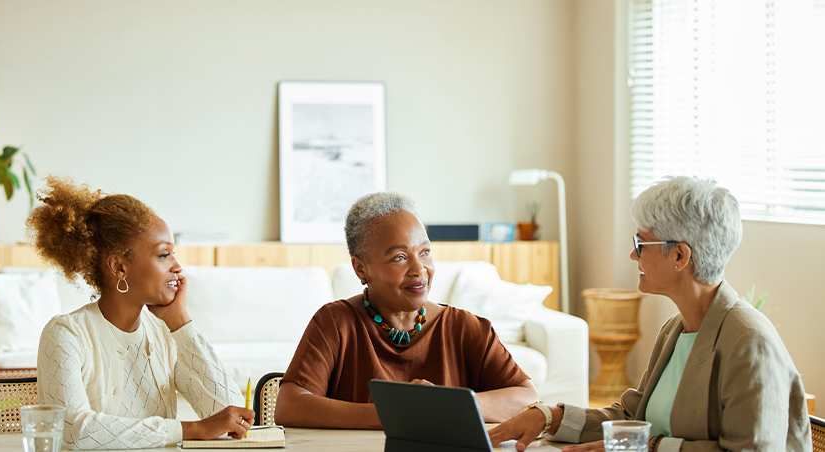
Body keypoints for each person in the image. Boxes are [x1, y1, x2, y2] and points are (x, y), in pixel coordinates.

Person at [489, 176, 812, 451]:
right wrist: (550, 416)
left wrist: (649, 447)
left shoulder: (750, 341)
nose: (632, 254)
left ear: (680, 256)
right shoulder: (676, 328)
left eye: (641, 242)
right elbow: (632, 421)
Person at [275, 192, 538, 428]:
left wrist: (450, 406)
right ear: (360, 268)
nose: (419, 269)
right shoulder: (335, 322)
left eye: (424, 252)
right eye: (400, 257)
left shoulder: (466, 327)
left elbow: (526, 397)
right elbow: (290, 405)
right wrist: (394, 413)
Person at [30, 177, 253, 449]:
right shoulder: (66, 334)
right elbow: (74, 430)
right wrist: (193, 429)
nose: (177, 267)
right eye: (163, 255)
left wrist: (181, 325)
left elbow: (230, 415)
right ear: (119, 267)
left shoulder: (165, 332)